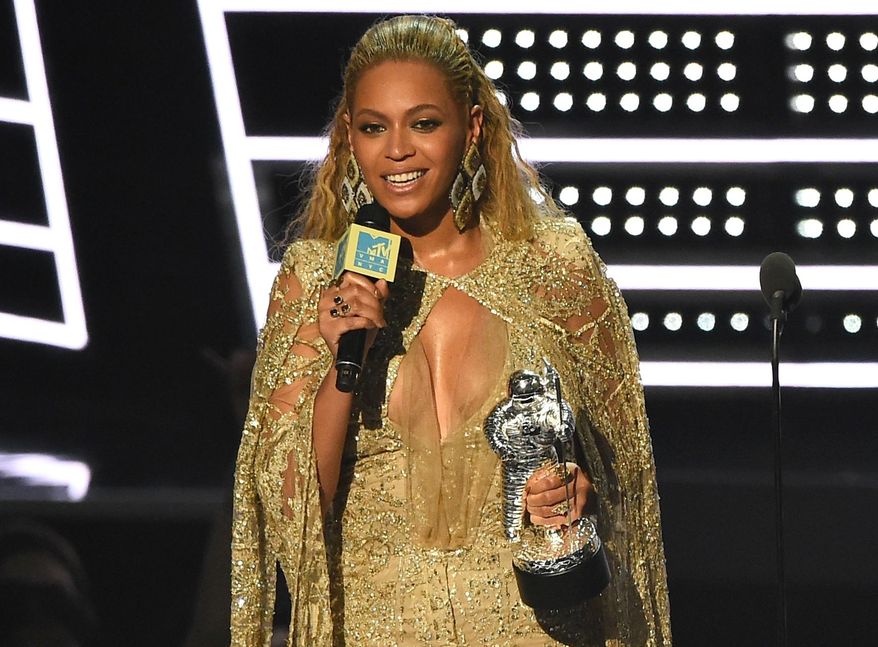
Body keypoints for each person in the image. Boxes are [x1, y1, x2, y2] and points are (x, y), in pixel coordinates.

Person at [230, 14, 671, 646]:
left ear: (472, 128)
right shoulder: (313, 280)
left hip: (533, 625)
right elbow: (289, 507)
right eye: (375, 127)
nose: (397, 150)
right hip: (375, 626)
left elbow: (622, 469)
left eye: (424, 123)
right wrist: (342, 364)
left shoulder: (554, 266)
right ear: (350, 138)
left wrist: (580, 493)